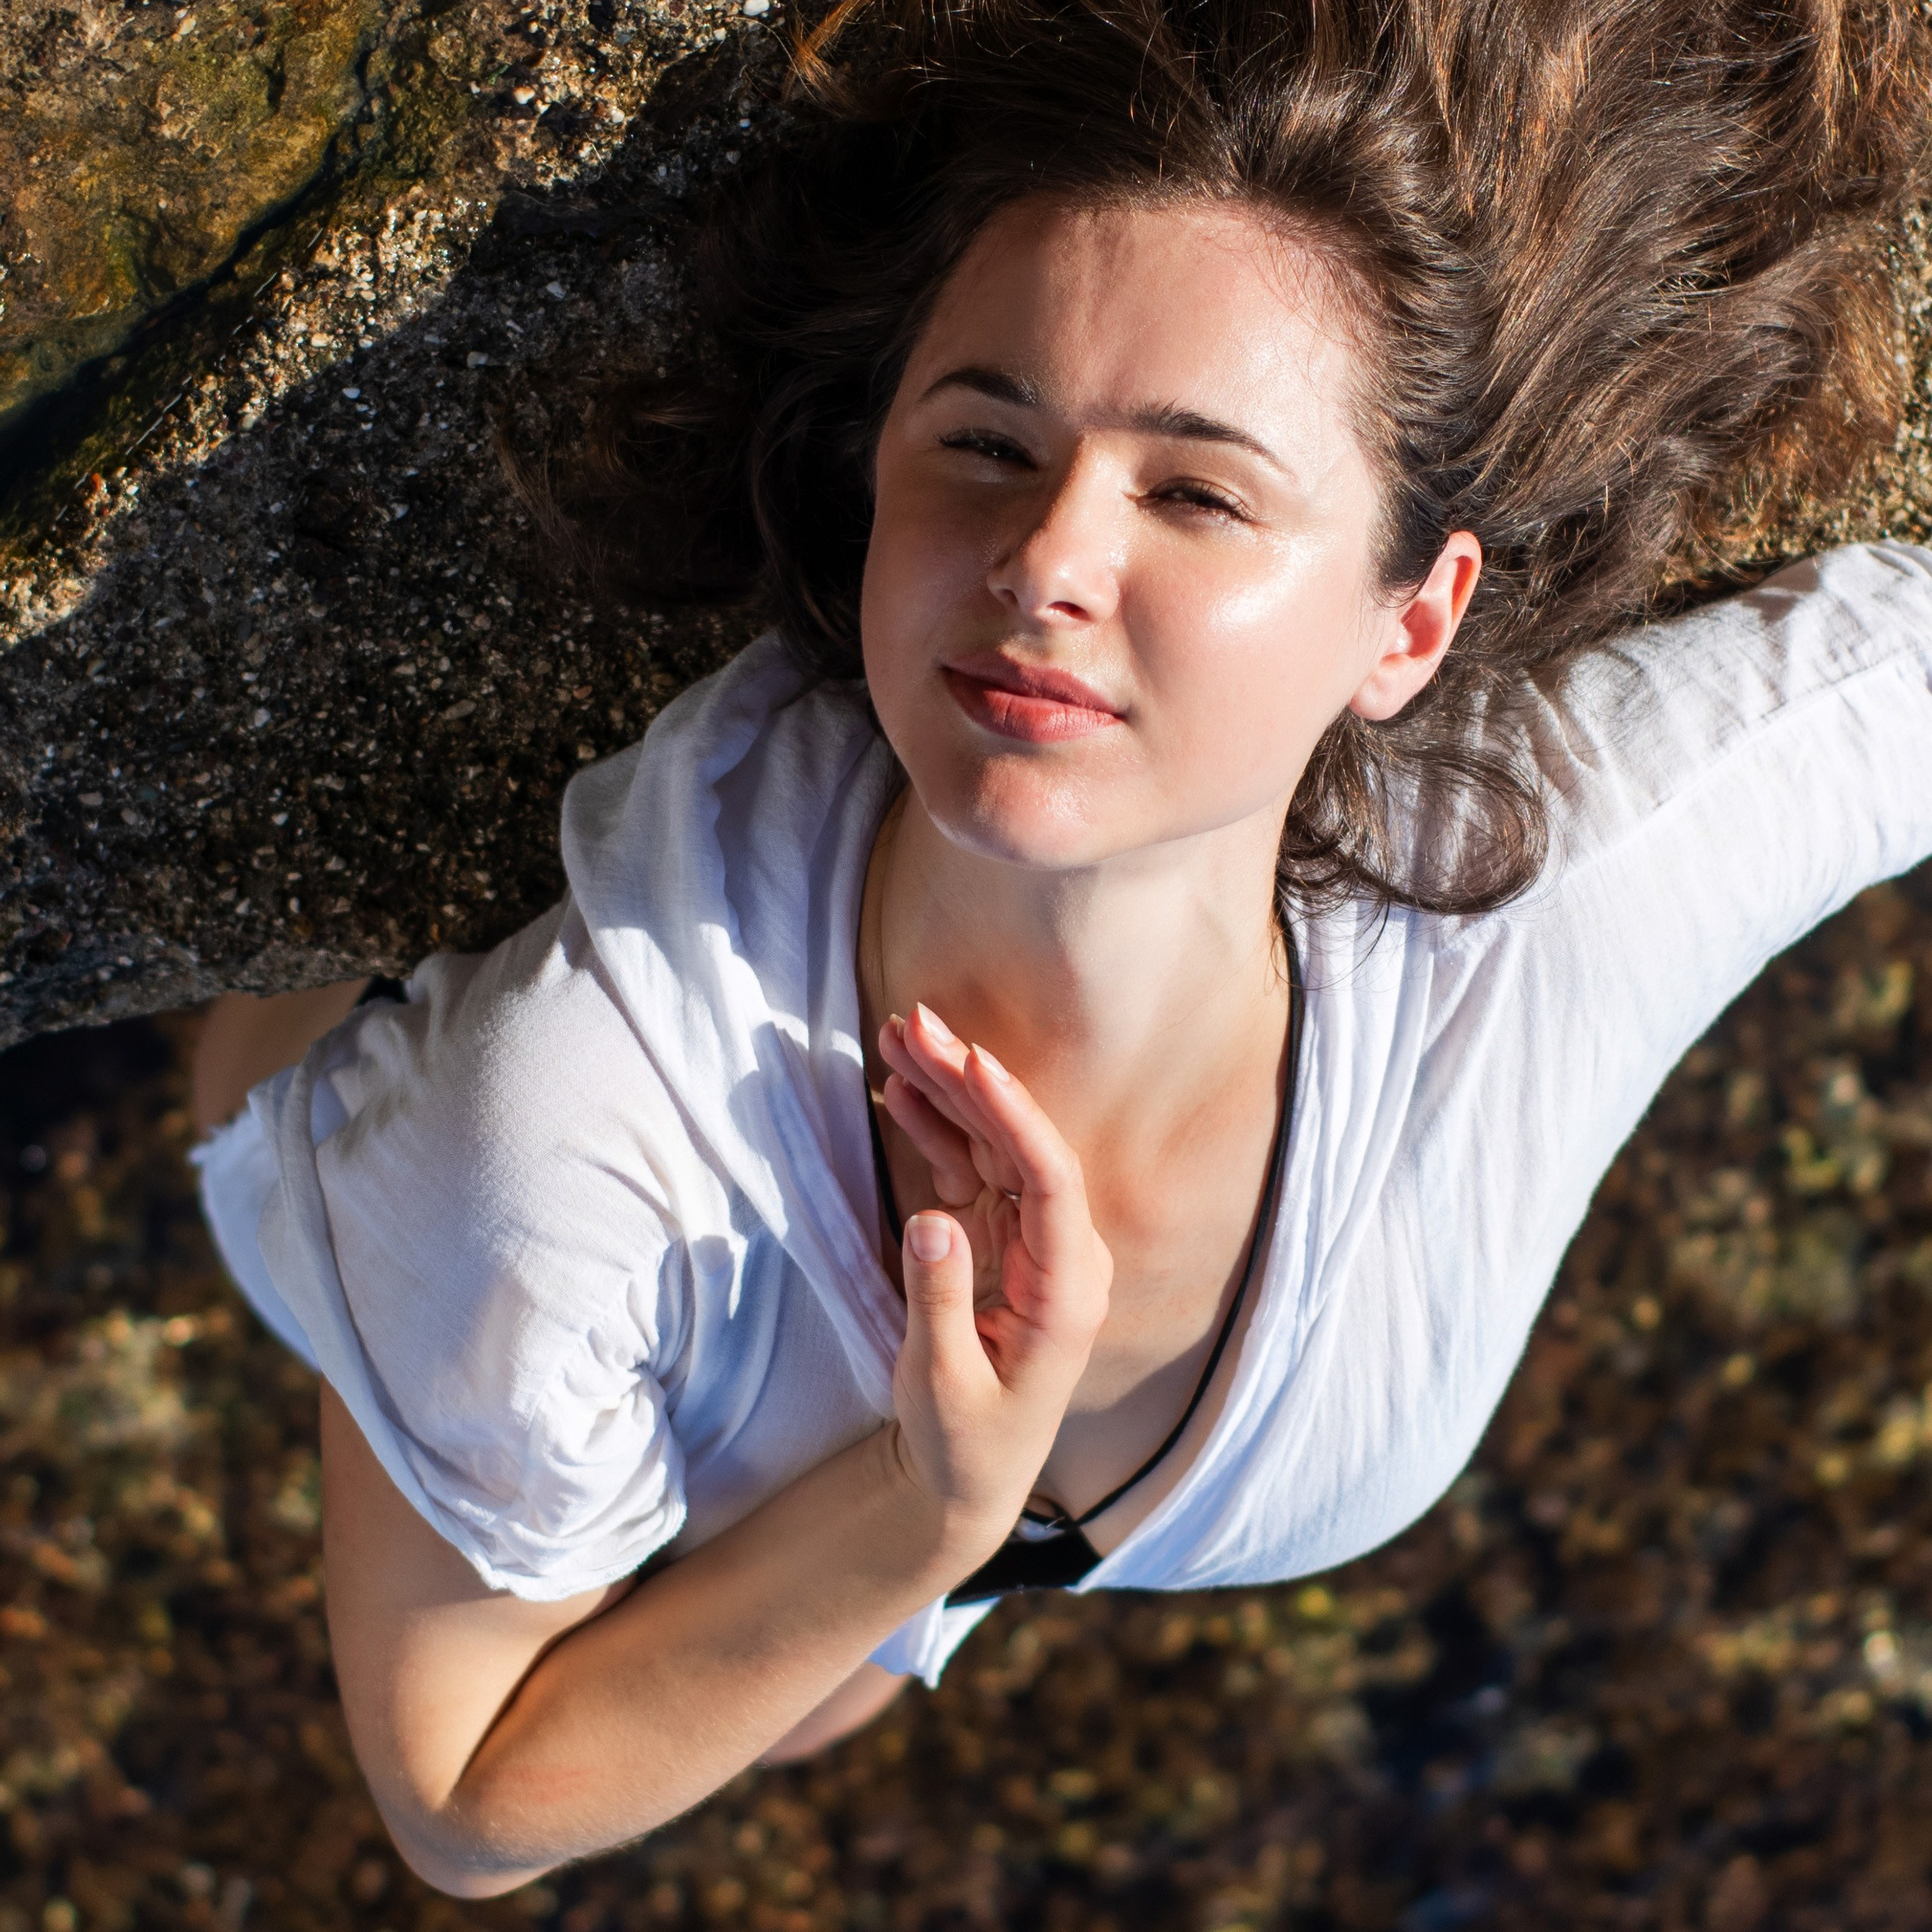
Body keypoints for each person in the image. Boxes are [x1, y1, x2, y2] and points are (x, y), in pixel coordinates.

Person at [190, 0, 1932, 1897]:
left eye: (1195, 492)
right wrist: (922, 1508)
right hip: (495, 1256)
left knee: (829, 1680)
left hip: (876, 1534)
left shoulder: (1547, 909)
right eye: (985, 442)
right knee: (304, 1164)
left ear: (1406, 626)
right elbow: (462, 1794)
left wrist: (925, 1548)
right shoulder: (558, 1145)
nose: (1042, 561)